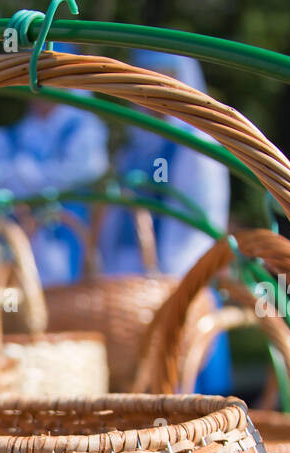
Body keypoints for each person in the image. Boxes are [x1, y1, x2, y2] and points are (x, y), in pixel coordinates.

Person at [99, 51, 232, 394]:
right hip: (133, 306)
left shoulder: (195, 148)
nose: (152, 97)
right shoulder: (138, 148)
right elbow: (116, 230)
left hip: (177, 297)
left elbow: (197, 232)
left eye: (162, 83)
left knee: (185, 397)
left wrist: (162, 290)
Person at [0, 96, 108, 286]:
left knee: (62, 301)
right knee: (14, 298)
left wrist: (20, 178)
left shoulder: (83, 128)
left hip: (65, 245)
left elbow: (83, 170)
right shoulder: (11, 135)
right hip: (16, 247)